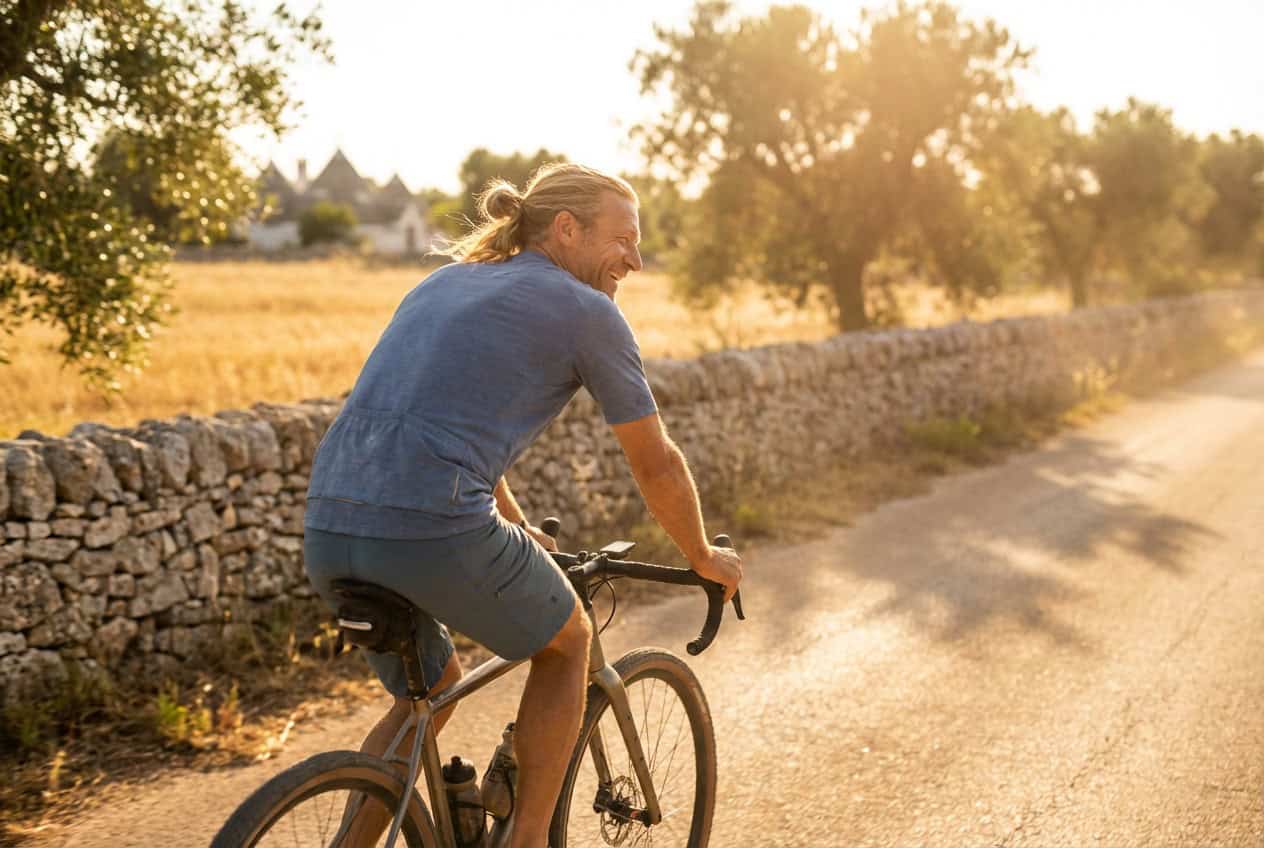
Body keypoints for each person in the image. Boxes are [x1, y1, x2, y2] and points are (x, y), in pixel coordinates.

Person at [303, 162, 743, 847]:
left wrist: (514, 528)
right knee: (569, 644)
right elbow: (654, 461)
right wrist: (702, 555)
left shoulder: (443, 282)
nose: (635, 256)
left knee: (425, 694)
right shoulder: (588, 313)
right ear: (566, 230)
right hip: (434, 526)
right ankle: (529, 838)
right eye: (622, 237)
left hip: (329, 522)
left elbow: (436, 420)